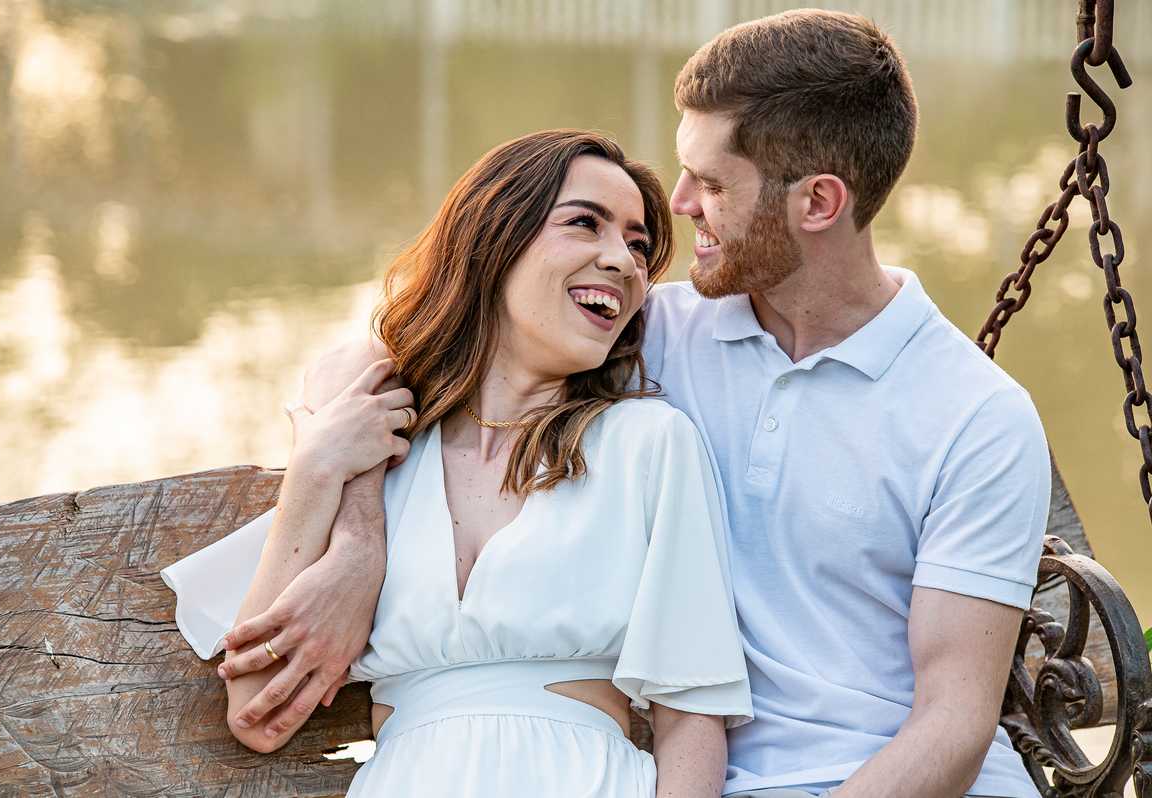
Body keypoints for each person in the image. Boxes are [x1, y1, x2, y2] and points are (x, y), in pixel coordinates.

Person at [216, 10, 1052, 798]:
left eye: (711, 182)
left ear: (819, 203)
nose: (680, 205)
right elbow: (391, 347)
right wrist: (361, 529)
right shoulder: (649, 335)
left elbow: (954, 721)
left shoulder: (976, 418)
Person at [163, 130, 754, 798]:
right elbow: (256, 710)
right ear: (495, 237)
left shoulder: (649, 444)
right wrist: (325, 485)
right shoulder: (382, 452)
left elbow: (691, 723)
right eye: (585, 224)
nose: (622, 261)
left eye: (639, 245)